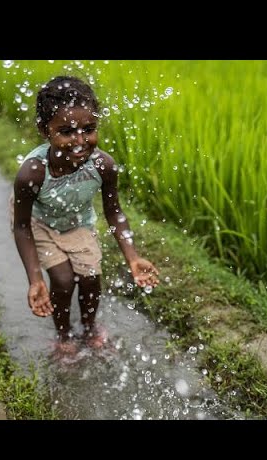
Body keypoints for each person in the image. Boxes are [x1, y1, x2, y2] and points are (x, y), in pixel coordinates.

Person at [10, 75, 160, 357]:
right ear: (45, 130)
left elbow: (114, 213)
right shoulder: (33, 173)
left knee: (91, 277)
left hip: (76, 221)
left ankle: (90, 328)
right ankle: (64, 335)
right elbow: (20, 226)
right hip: (38, 222)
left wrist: (133, 257)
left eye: (89, 129)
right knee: (64, 280)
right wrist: (35, 279)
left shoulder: (103, 166)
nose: (80, 142)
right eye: (66, 132)